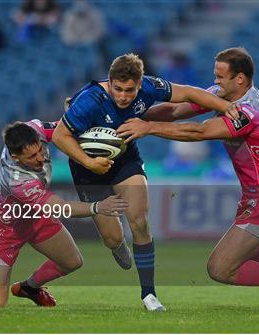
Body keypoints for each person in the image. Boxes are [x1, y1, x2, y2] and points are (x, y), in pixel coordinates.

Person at [116, 47, 259, 313]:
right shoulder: (221, 96)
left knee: (220, 268)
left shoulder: (250, 110)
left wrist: (148, 128)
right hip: (255, 196)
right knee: (243, 254)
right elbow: (175, 111)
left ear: (240, 79)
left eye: (221, 77)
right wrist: (134, 112)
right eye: (215, 76)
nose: (215, 82)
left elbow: (199, 132)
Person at [52, 53, 237, 311]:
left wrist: (223, 106)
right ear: (110, 81)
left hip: (125, 157)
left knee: (139, 220)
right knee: (112, 237)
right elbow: (60, 136)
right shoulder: (90, 100)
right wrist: (88, 161)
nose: (123, 96)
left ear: (140, 85)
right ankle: (117, 246)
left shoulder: (150, 86)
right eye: (118, 89)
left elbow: (188, 93)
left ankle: (149, 295)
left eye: (130, 90)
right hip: (87, 166)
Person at [0, 120, 129, 308]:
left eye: (40, 150)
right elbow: (61, 207)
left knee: (72, 261)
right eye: (32, 156)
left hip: (35, 217)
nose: (40, 158)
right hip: (4, 229)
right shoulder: (18, 181)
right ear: (15, 158)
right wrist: (98, 207)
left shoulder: (35, 128)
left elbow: (68, 127)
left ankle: (29, 288)